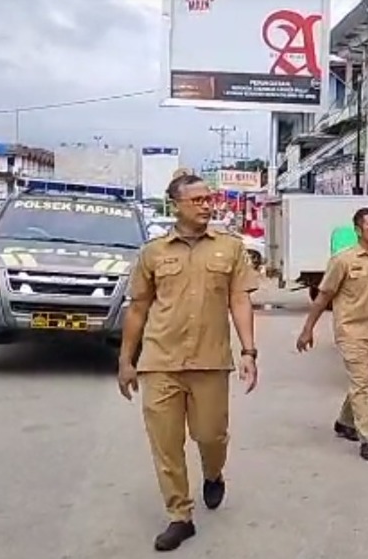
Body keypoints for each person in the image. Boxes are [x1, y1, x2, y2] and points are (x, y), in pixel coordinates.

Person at [117, 172, 259, 552]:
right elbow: (138, 308)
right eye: (197, 200)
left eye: (208, 199)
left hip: (210, 361)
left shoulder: (230, 248)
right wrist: (126, 360)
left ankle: (213, 473)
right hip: (159, 360)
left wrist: (249, 351)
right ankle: (180, 515)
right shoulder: (153, 253)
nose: (206, 205)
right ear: (175, 205)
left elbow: (240, 300)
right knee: (166, 444)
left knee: (211, 436)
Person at [295, 207, 368, 463]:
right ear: (359, 230)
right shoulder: (343, 260)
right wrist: (307, 329)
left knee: (366, 382)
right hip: (351, 332)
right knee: (362, 384)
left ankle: (345, 422)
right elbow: (323, 296)